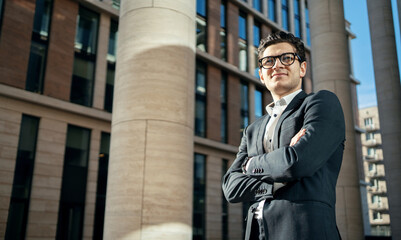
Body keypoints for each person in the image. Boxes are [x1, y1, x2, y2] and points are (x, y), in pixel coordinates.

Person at [222, 31, 344, 240]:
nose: (277, 65)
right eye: (268, 61)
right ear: (261, 74)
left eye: (286, 58)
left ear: (302, 68)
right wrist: (276, 180)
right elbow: (231, 188)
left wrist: (251, 165)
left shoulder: (321, 103)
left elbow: (297, 163)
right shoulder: (252, 129)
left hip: (304, 231)